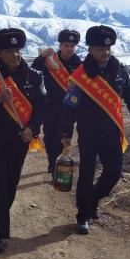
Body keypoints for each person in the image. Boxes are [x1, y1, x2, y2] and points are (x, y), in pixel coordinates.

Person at [60, 25, 130, 235]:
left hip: (112, 131)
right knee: (86, 174)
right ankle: (82, 215)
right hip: (88, 132)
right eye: (99, 48)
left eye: (108, 48)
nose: (105, 52)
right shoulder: (81, 76)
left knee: (113, 173)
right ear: (90, 49)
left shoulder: (120, 70)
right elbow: (69, 106)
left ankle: (92, 200)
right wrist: (66, 133)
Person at [0, 28, 46, 253]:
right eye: (8, 51)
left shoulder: (34, 76)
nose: (14, 55)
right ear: (0, 54)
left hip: (19, 141)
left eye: (17, 50)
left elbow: (43, 108)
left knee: (11, 184)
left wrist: (32, 129)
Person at [31, 29, 82, 175]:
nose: (69, 49)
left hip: (68, 108)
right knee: (49, 136)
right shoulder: (50, 60)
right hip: (49, 105)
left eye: (72, 46)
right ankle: (51, 161)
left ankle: (54, 165)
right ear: (60, 45)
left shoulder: (79, 64)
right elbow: (33, 71)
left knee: (61, 136)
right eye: (66, 45)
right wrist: (41, 57)